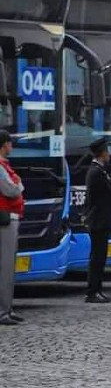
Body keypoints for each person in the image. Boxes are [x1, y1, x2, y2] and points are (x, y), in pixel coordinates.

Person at [84, 137, 111, 303]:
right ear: (103, 153)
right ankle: (92, 291)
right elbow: (97, 199)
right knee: (97, 258)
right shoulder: (96, 172)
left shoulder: (100, 171)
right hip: (98, 221)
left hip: (101, 220)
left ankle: (97, 289)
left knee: (100, 257)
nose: (109, 154)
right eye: (107, 151)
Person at [0, 130, 25, 325]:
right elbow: (11, 189)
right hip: (5, 220)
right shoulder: (0, 167)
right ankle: (3, 311)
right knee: (5, 267)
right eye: (10, 143)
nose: (12, 146)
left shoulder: (4, 166)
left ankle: (8, 308)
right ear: (4, 145)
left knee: (9, 267)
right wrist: (18, 184)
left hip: (10, 219)